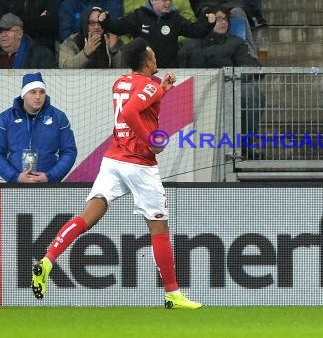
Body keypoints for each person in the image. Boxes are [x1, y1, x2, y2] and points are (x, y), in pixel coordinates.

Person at [31, 37, 203, 309]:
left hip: (112, 159)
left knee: (88, 216)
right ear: (147, 62)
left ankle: (48, 259)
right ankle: (173, 294)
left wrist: (163, 90)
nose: (156, 59)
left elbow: (136, 102)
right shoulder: (148, 85)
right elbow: (133, 111)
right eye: (154, 55)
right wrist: (150, 140)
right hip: (139, 164)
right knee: (159, 228)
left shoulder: (121, 83)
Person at [178, 6, 266, 159]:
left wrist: (231, 78)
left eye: (225, 19)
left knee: (251, 93)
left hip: (228, 88)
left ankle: (248, 144)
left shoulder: (236, 43)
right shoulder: (189, 46)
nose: (223, 23)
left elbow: (250, 66)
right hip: (196, 89)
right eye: (218, 19)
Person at [99, 0, 215, 68]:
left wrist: (208, 23)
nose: (168, 2)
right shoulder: (139, 15)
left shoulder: (175, 18)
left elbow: (194, 31)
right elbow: (118, 27)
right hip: (144, 72)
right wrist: (105, 22)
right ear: (153, 0)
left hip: (169, 72)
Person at [0, 72, 77, 183]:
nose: (38, 97)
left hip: (48, 186)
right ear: (23, 95)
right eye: (33, 92)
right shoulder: (5, 118)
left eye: (42, 92)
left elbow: (69, 151)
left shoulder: (59, 117)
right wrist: (15, 177)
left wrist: (50, 177)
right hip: (15, 186)